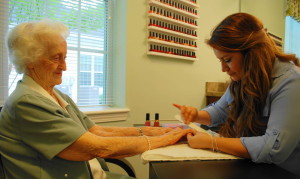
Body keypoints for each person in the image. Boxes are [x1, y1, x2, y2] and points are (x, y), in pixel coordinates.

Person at [0, 19, 193, 179]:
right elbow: (96, 147)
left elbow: (98, 131)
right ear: (30, 61)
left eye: (65, 57)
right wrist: (167, 139)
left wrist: (153, 131)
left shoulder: (56, 95)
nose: (64, 67)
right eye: (56, 58)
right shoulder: (26, 102)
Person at [174, 12, 300, 175]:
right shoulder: (243, 77)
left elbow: (274, 148)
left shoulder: (292, 82)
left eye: (227, 60)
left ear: (252, 54)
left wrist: (213, 142)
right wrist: (197, 115)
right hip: (254, 168)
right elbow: (221, 110)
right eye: (220, 61)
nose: (223, 69)